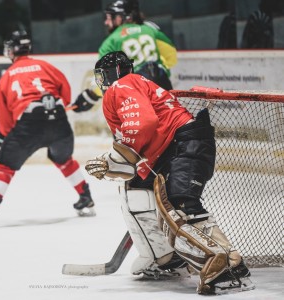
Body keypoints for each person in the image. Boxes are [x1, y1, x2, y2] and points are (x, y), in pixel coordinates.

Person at [84, 51, 254, 295]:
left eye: (102, 75)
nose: (102, 81)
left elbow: (143, 124)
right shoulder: (137, 83)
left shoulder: (121, 84)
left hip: (183, 144)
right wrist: (114, 163)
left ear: (113, 73)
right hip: (175, 147)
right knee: (137, 190)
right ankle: (166, 257)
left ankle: (228, 266)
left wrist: (118, 158)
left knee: (180, 203)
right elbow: (134, 156)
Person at [0, 30, 95, 227]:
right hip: (58, 120)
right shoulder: (44, 65)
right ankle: (86, 197)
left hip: (29, 124)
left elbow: (5, 120)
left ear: (12, 50)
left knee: (5, 165)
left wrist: (5, 141)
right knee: (63, 159)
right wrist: (61, 104)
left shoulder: (7, 77)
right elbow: (64, 88)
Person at [99, 0, 176, 91]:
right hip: (162, 85)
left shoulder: (110, 42)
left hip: (136, 92)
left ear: (119, 18)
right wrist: (159, 67)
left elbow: (107, 79)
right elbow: (172, 57)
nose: (106, 22)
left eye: (109, 18)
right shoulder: (150, 29)